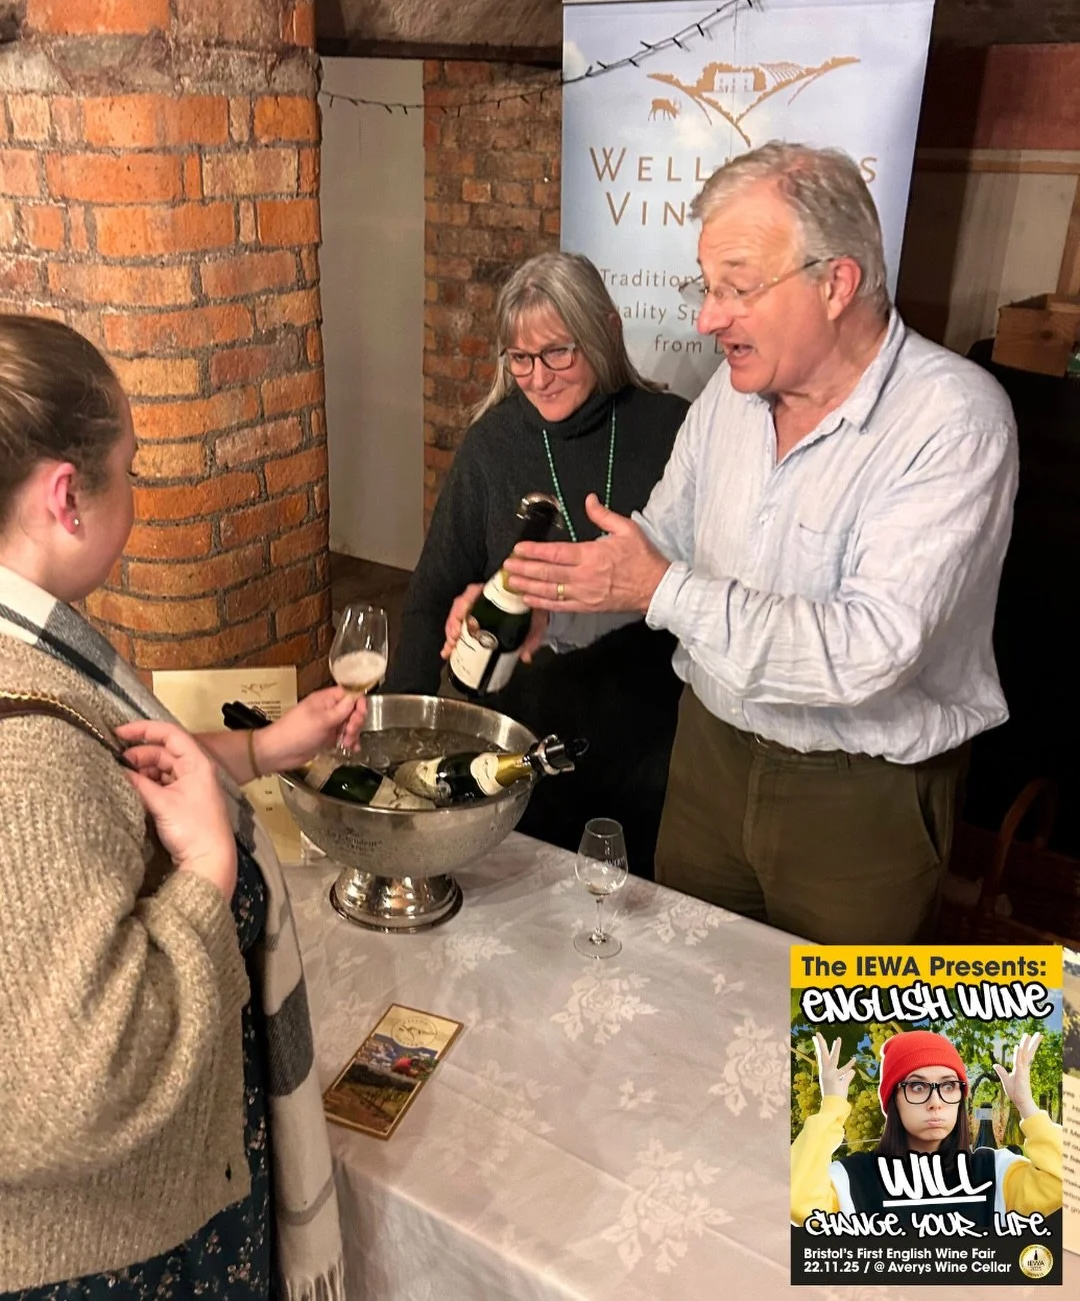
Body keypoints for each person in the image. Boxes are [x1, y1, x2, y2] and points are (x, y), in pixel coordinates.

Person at [504, 142, 1019, 943]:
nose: (708, 318)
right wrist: (554, 600)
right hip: (708, 759)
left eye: (737, 288)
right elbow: (663, 544)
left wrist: (658, 587)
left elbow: (870, 649)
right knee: (688, 1006)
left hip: (859, 801)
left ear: (836, 282)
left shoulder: (954, 420)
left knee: (835, 1058)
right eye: (706, 288)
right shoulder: (730, 398)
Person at [0, 314, 363, 1298]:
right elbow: (77, 1087)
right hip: (120, 1255)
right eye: (132, 467)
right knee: (833, 1165)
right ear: (67, 495)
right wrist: (209, 873)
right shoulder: (22, 749)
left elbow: (109, 765)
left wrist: (262, 749)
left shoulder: (37, 645)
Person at [386, 252, 689, 877]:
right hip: (525, 745)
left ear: (605, 332)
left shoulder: (672, 430)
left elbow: (699, 592)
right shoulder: (493, 444)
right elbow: (430, 596)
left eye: (558, 353)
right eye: (519, 359)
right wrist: (394, 743)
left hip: (653, 741)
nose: (538, 377)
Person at [791, 1029, 1062, 1226]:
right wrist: (831, 1107)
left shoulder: (995, 1170)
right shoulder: (852, 1178)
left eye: (948, 1086)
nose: (936, 1102)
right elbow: (798, 1202)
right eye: (917, 1087)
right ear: (892, 1099)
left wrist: (1027, 1105)